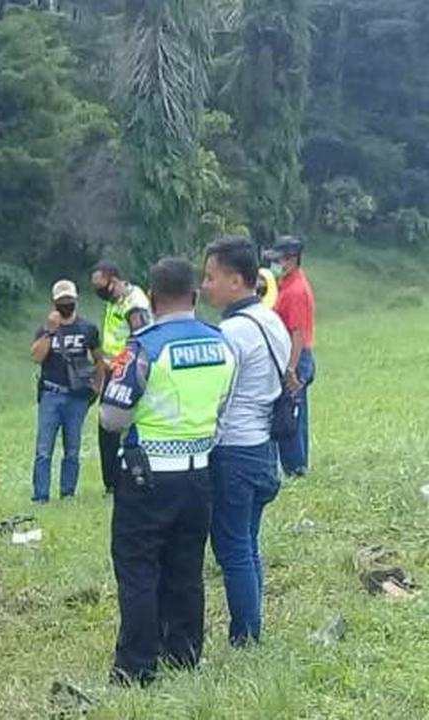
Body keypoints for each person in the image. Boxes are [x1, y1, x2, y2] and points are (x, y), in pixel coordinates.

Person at [99, 258, 236, 686]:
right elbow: (222, 408)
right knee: (186, 566)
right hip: (199, 474)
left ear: (153, 300)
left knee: (139, 568)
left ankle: (137, 666)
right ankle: (185, 652)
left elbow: (112, 418)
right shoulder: (221, 344)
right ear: (194, 296)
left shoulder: (142, 347)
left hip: (148, 476)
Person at [202, 237, 292, 646]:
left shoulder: (233, 332)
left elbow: (218, 396)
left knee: (233, 547)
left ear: (236, 280)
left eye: (211, 277)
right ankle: (252, 628)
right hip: (263, 448)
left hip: (234, 451)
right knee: (247, 543)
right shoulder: (270, 319)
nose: (205, 286)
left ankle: (245, 636)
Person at [29, 280, 106, 502]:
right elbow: (36, 357)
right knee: (44, 450)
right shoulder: (44, 330)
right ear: (54, 304)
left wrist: (97, 386)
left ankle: (68, 493)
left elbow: (99, 359)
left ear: (76, 301)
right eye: (61, 302)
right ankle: (41, 495)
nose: (66, 305)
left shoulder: (88, 329)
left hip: (77, 396)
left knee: (72, 449)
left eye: (69, 301)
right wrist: (50, 332)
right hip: (51, 393)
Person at [91, 260, 152, 494]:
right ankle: (112, 482)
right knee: (106, 428)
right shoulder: (116, 299)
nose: (99, 292)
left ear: (114, 281)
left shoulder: (134, 304)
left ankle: (121, 479)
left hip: (125, 372)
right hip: (112, 369)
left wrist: (120, 364)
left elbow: (140, 338)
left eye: (101, 286)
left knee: (118, 425)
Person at [265, 236, 315, 476]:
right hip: (296, 355)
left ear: (292, 258)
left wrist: (291, 369)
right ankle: (297, 464)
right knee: (294, 411)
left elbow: (297, 333)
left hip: (297, 356)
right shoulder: (287, 283)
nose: (275, 264)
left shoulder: (295, 291)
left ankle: (295, 468)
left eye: (279, 259)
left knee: (289, 413)